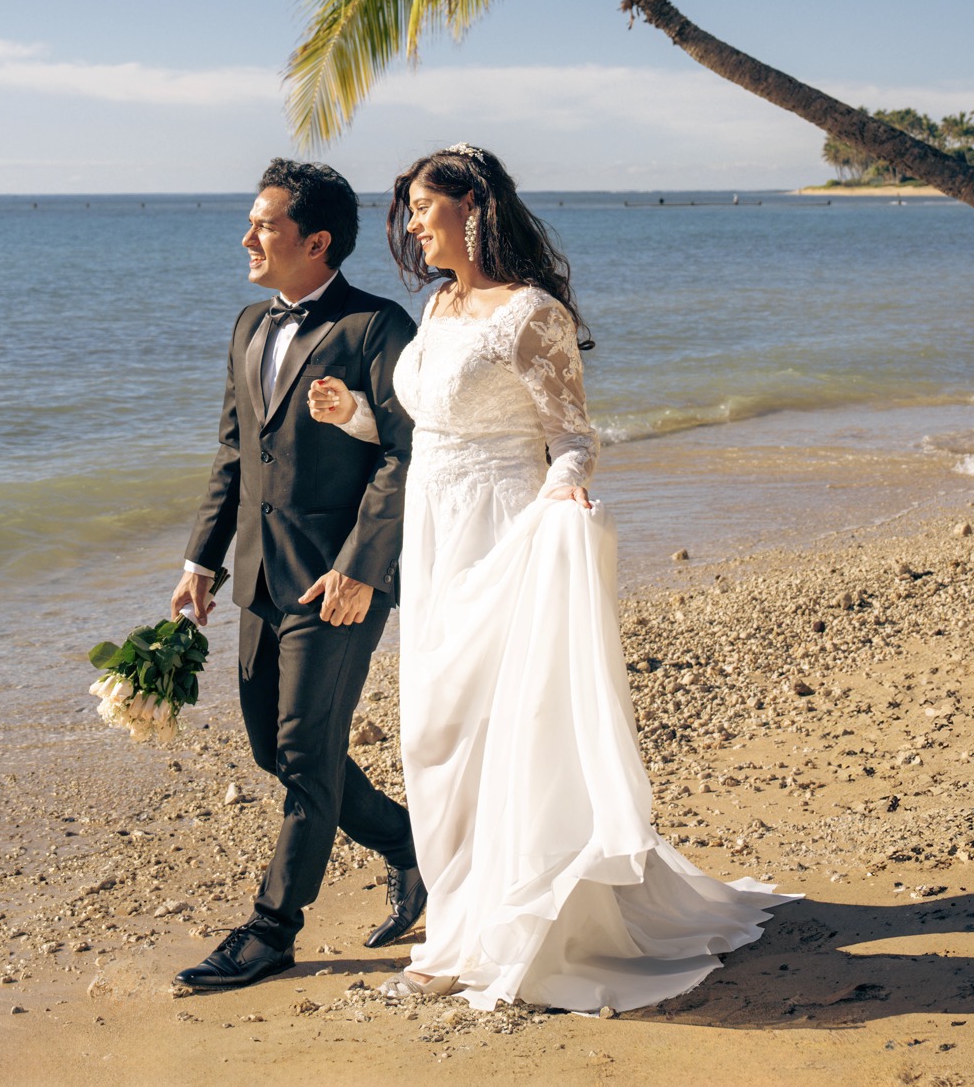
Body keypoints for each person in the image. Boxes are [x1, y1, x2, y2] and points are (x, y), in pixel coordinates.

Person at [318, 143, 784, 1012]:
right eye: (410, 211)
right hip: (434, 535)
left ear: (473, 208)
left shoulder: (530, 314)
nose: (413, 225)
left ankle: (486, 935)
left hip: (504, 532)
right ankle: (461, 918)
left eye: (425, 207)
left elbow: (573, 438)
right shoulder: (440, 307)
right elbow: (426, 434)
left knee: (497, 734)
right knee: (429, 733)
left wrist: (564, 499)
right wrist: (353, 419)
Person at [172, 159, 425, 991]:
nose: (248, 237)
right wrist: (200, 559)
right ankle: (408, 844)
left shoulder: (378, 327)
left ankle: (272, 929)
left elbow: (405, 455)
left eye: (264, 225)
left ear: (315, 241)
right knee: (267, 747)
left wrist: (362, 567)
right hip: (257, 576)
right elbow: (234, 450)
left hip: (340, 583)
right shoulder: (249, 324)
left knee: (305, 752)